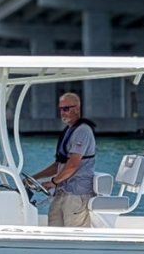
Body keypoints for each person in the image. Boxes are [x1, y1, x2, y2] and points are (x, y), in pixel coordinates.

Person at [31, 92, 96, 227]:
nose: (62, 112)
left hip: (76, 194)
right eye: (60, 109)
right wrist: (35, 177)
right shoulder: (69, 131)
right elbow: (58, 165)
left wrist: (53, 182)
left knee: (75, 238)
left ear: (77, 109)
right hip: (62, 192)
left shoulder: (83, 131)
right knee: (54, 231)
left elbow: (73, 164)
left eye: (66, 108)